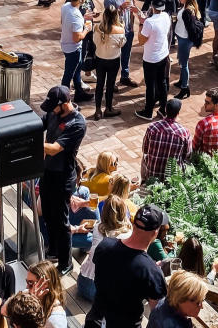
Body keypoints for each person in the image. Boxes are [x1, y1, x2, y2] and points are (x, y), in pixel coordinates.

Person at [83, 203, 169, 328]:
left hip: (95, 321)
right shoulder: (152, 272)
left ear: (133, 225)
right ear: (155, 233)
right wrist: (154, 273)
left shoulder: (105, 245)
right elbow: (158, 313)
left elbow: (113, 272)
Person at [39, 85, 87, 275]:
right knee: (49, 216)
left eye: (54, 106)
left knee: (61, 221)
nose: (50, 110)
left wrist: (30, 144)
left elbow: (54, 148)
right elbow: (38, 125)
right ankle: (54, 251)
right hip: (46, 172)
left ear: (64, 104)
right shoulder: (53, 113)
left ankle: (66, 263)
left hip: (63, 177)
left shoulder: (77, 124)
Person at [136, 0, 172, 120]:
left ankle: (148, 112)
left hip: (151, 58)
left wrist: (141, 23)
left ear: (152, 6)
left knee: (150, 86)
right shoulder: (166, 16)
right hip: (163, 55)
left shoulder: (149, 22)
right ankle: (163, 109)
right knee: (162, 83)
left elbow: (141, 40)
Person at [141, 97, 193, 181]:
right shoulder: (184, 133)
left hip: (152, 174)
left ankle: (144, 181)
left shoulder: (152, 128)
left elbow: (145, 150)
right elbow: (188, 155)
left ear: (165, 110)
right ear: (178, 113)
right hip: (172, 178)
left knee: (144, 158)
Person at [174, 0, 202, 100]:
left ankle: (185, 88)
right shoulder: (188, 7)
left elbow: (191, 28)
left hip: (184, 39)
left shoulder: (187, 11)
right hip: (182, 38)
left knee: (183, 64)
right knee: (181, 60)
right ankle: (182, 81)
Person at [26, 261, 67, 328]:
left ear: (45, 285)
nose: (27, 287)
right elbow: (5, 310)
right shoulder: (28, 294)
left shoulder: (56, 321)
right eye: (27, 282)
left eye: (30, 283)